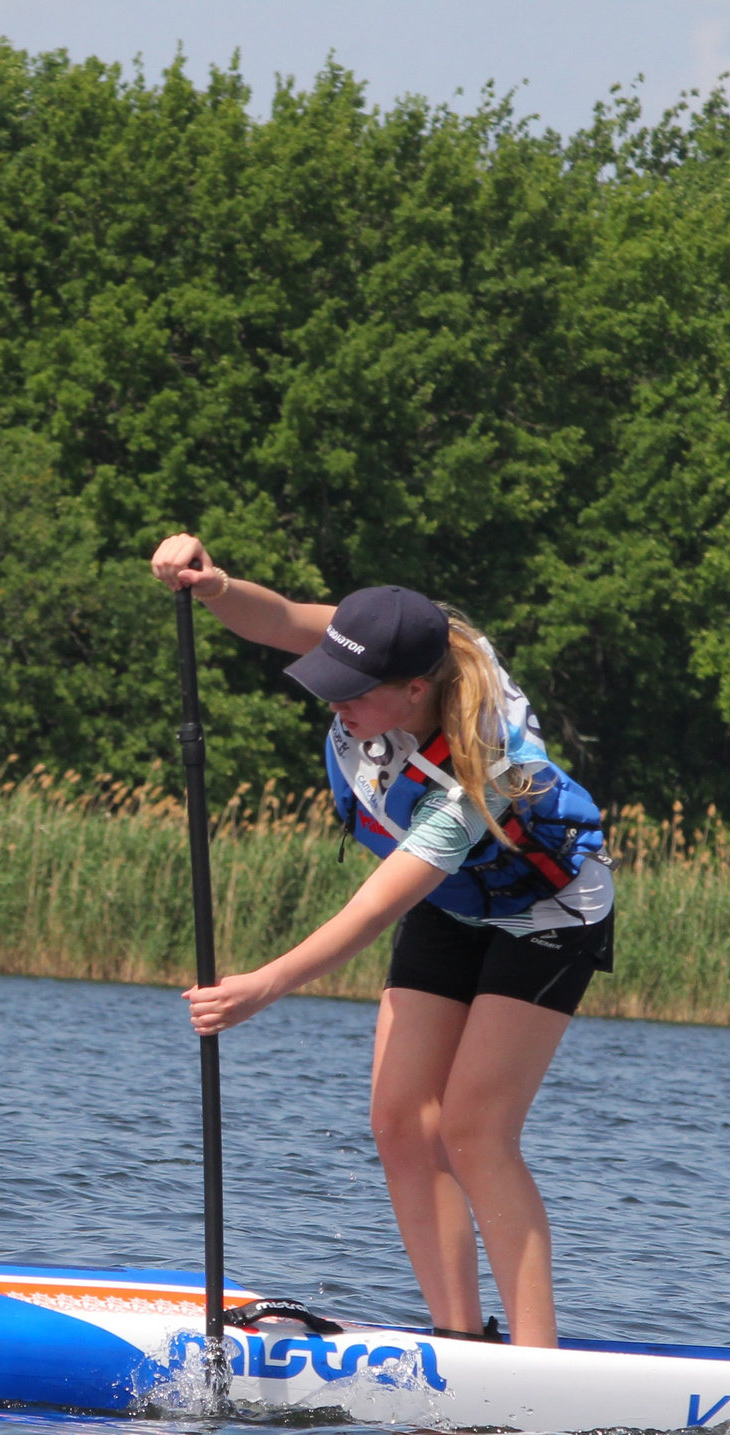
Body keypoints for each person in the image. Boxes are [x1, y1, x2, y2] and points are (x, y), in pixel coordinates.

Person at [150, 535, 613, 1350]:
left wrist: (262, 986)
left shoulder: (477, 770)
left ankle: (538, 1362)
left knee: (474, 1128)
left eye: (352, 692)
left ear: (414, 691)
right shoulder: (399, 641)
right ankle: (460, 1340)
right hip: (456, 902)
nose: (335, 703)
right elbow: (282, 619)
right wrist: (214, 584)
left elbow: (371, 910)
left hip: (547, 910)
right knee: (400, 1119)